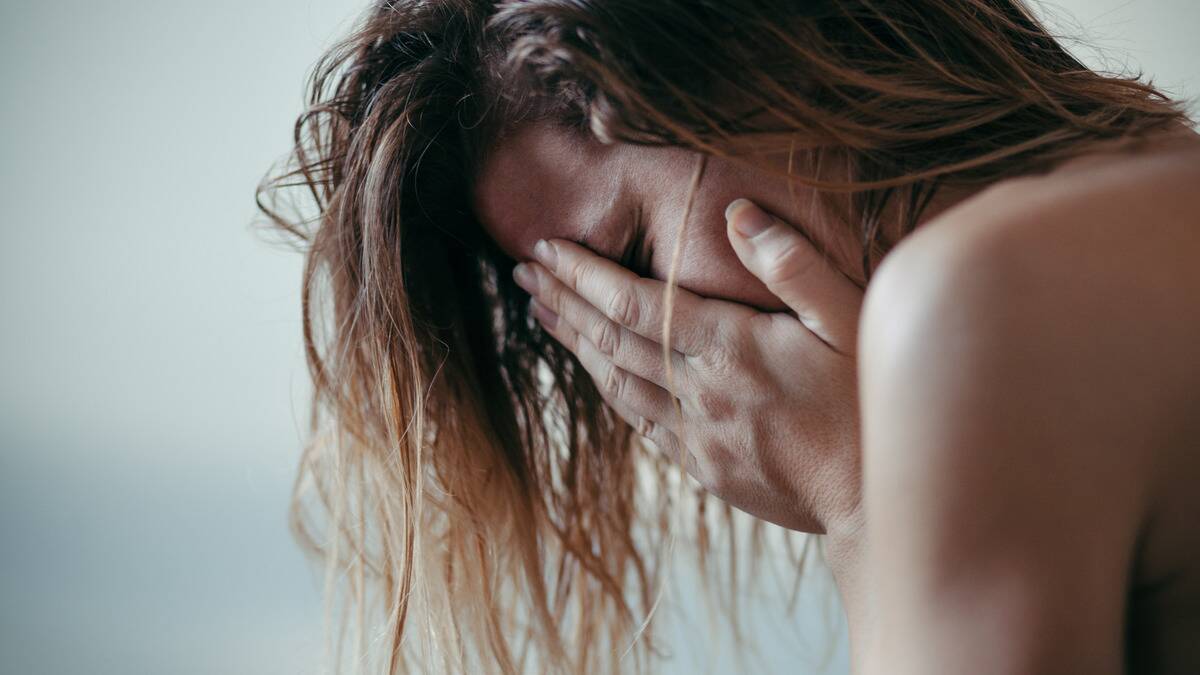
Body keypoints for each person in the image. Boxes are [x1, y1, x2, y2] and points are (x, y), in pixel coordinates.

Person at [257, 1, 1200, 672]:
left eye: (630, 254)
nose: (650, 350)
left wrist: (863, 501)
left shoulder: (971, 307)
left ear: (753, 74)